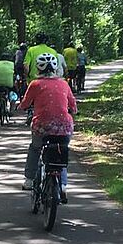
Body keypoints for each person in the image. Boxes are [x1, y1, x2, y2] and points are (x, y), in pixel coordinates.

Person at [18, 52, 77, 202]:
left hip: (42, 126)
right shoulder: (64, 83)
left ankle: (29, 179)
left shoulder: (35, 84)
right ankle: (63, 186)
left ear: (38, 67)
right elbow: (72, 104)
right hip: (64, 126)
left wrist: (21, 107)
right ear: (56, 67)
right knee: (61, 153)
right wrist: (74, 111)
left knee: (35, 148)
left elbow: (25, 103)